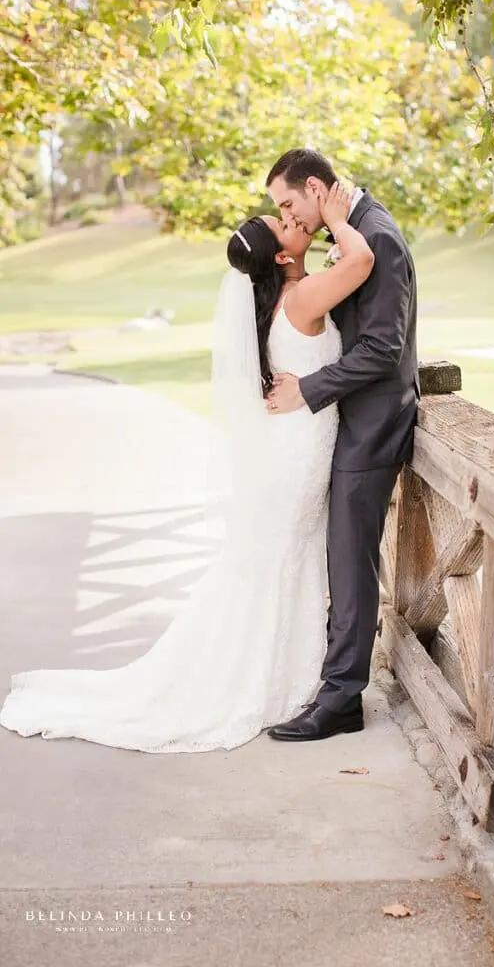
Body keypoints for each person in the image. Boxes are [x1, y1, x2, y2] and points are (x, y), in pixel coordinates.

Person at [0, 183, 376, 753]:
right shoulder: (300, 300)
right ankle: (274, 680)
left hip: (294, 449)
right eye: (283, 224)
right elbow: (364, 259)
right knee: (282, 562)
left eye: (286, 211)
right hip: (297, 455)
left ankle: (288, 676)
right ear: (281, 257)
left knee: (280, 563)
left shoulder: (283, 298)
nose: (291, 219)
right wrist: (334, 214)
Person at [264, 149, 419, 743]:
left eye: (286, 203)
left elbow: (383, 350)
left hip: (374, 422)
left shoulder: (380, 236)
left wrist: (308, 390)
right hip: (350, 418)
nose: (286, 215)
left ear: (312, 187)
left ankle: (341, 700)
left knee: (351, 558)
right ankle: (334, 683)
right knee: (340, 554)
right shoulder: (353, 231)